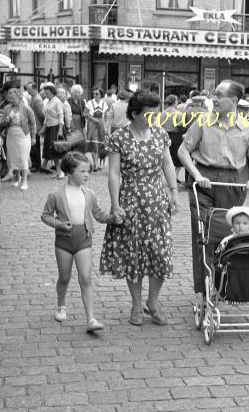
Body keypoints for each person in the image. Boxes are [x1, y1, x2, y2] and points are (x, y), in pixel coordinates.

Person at [99, 90, 179, 327]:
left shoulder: (161, 134)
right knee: (133, 255)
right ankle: (136, 304)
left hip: (157, 201)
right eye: (149, 114)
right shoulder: (119, 138)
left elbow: (167, 163)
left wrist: (174, 191)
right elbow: (113, 173)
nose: (154, 118)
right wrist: (115, 204)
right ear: (135, 114)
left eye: (156, 113)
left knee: (159, 253)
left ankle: (152, 302)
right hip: (131, 201)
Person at [178, 80, 249, 306]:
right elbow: (183, 150)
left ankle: (223, 285)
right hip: (204, 181)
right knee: (203, 235)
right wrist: (196, 174)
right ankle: (202, 291)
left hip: (233, 183)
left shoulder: (247, 128)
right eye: (213, 94)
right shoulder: (202, 122)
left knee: (229, 235)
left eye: (219, 95)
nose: (213, 98)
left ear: (233, 101)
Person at [41, 152, 112, 333]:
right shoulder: (56, 194)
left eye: (88, 171)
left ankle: (91, 319)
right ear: (70, 172)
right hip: (63, 242)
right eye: (82, 171)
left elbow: (98, 214)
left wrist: (113, 218)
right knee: (64, 277)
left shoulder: (89, 194)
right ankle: (61, 305)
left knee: (86, 278)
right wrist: (59, 224)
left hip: (83, 240)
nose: (87, 174)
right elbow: (45, 216)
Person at [0, 87, 36, 190]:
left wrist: (33, 137)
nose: (11, 100)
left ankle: (25, 181)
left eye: (13, 98)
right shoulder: (7, 108)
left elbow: (33, 123)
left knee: (23, 158)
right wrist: (5, 121)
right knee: (13, 158)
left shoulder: (26, 108)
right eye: (9, 98)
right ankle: (17, 178)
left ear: (19, 97)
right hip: (11, 135)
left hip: (23, 135)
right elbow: (1, 122)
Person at [41, 83, 66, 178]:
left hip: (56, 127)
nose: (45, 95)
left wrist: (60, 130)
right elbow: (46, 117)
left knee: (58, 149)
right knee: (52, 150)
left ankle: (62, 171)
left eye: (47, 93)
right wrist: (43, 128)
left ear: (52, 92)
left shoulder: (57, 101)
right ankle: (58, 171)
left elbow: (61, 115)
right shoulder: (48, 101)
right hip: (50, 127)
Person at [85, 86, 107, 171]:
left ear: (101, 94)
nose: (95, 95)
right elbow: (85, 113)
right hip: (92, 124)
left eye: (97, 93)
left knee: (99, 144)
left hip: (101, 124)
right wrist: (92, 118)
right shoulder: (90, 103)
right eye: (93, 93)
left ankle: (97, 163)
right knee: (94, 144)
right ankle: (95, 164)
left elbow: (105, 116)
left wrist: (105, 128)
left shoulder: (104, 104)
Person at [26, 82, 45, 172]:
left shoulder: (37, 99)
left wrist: (42, 127)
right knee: (32, 146)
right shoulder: (33, 98)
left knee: (35, 147)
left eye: (29, 89)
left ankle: (36, 165)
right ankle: (35, 164)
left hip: (36, 126)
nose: (28, 91)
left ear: (34, 89)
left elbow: (41, 114)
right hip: (33, 125)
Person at [68, 84, 87, 152]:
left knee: (79, 140)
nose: (77, 94)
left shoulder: (82, 101)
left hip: (79, 122)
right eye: (76, 92)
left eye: (79, 92)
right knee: (72, 139)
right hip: (71, 121)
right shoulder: (69, 100)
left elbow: (84, 112)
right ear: (72, 92)